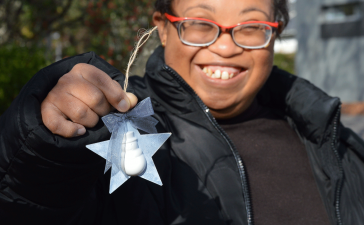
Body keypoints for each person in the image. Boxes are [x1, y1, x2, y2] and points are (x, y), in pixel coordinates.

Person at [0, 0, 363, 224]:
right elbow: (28, 208)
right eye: (201, 24)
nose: (224, 46)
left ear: (274, 34)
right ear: (162, 27)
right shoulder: (106, 130)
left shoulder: (333, 143)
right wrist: (48, 145)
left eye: (251, 27)